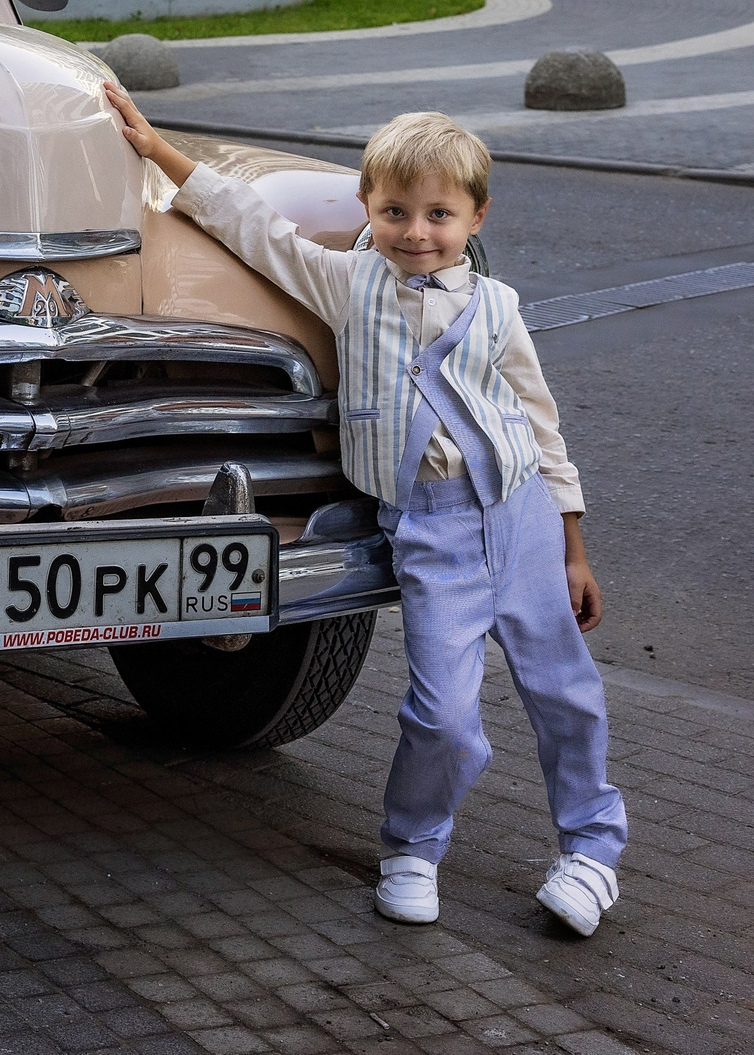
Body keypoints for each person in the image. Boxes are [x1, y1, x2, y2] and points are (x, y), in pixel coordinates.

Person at [102, 88, 627, 936]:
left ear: (476, 218)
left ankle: (593, 851)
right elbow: (255, 230)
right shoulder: (349, 286)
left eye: (438, 215)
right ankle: (413, 850)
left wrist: (573, 546)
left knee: (567, 695)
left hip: (521, 513)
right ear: (367, 207)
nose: (415, 232)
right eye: (394, 211)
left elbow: (539, 420)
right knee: (444, 716)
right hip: (431, 529)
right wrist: (162, 154)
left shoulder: (499, 309)